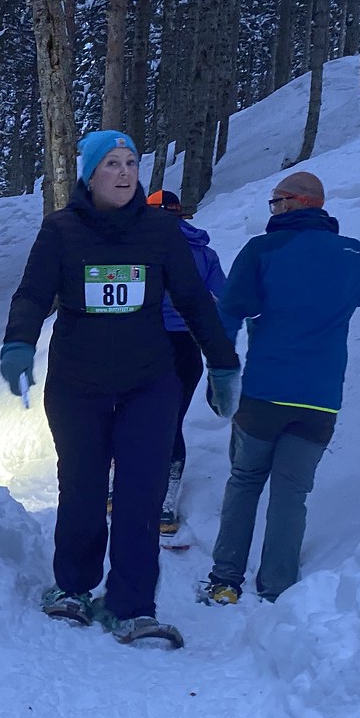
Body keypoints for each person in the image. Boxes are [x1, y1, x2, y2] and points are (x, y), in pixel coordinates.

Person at [0, 130, 240, 643]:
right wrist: (17, 343)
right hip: (77, 384)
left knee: (141, 494)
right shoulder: (61, 229)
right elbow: (33, 294)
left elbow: (196, 302)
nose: (126, 172)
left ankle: (132, 605)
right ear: (90, 173)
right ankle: (74, 587)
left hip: (148, 383)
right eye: (112, 163)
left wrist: (222, 364)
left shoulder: (159, 230)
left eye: (132, 162)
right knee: (83, 488)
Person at [201, 171, 360, 605]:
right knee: (291, 493)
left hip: (262, 394)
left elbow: (228, 315)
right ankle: (276, 590)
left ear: (296, 202)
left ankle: (225, 581)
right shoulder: (351, 254)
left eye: (275, 202)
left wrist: (221, 372)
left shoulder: (262, 250)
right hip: (318, 401)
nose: (272, 210)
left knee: (244, 480)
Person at [146, 189, 227, 536]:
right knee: (171, 420)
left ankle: (117, 489)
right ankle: (165, 505)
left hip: (141, 342)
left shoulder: (135, 248)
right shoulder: (205, 254)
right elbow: (225, 299)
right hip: (185, 346)